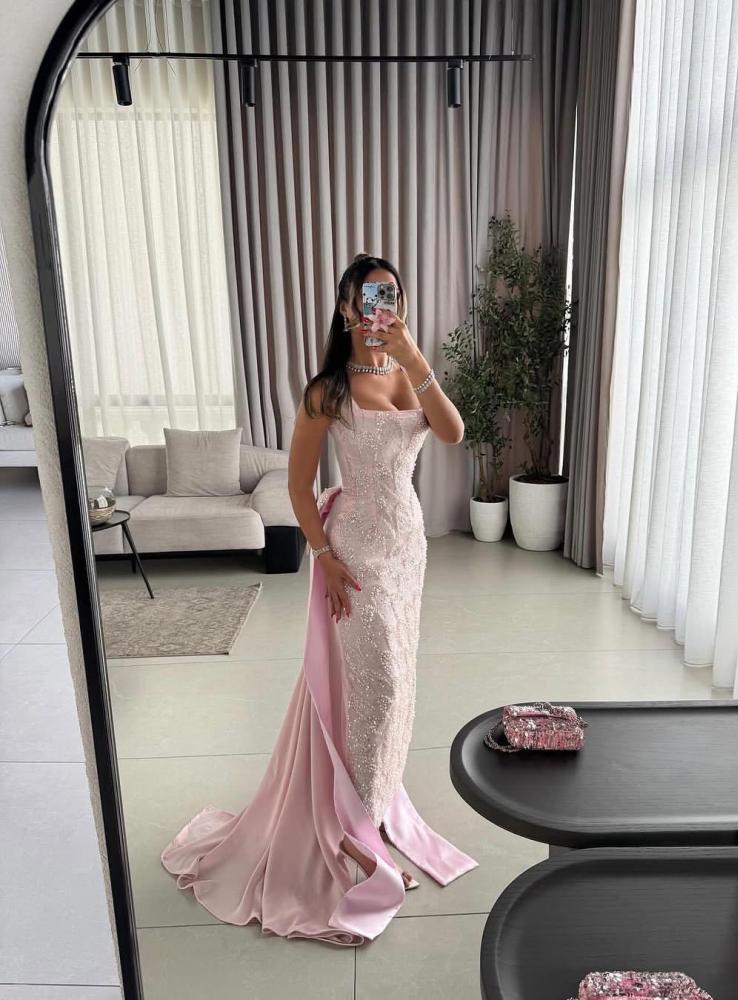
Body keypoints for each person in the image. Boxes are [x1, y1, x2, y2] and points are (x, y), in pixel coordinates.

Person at [160, 253, 478, 946]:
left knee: (396, 686)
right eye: (369, 296)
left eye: (392, 295)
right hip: (355, 551)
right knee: (378, 684)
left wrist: (412, 353)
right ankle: (353, 838)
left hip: (407, 549)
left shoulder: (408, 371)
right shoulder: (326, 391)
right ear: (345, 308)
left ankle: (375, 813)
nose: (381, 306)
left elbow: (453, 432)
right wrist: (325, 558)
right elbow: (299, 486)